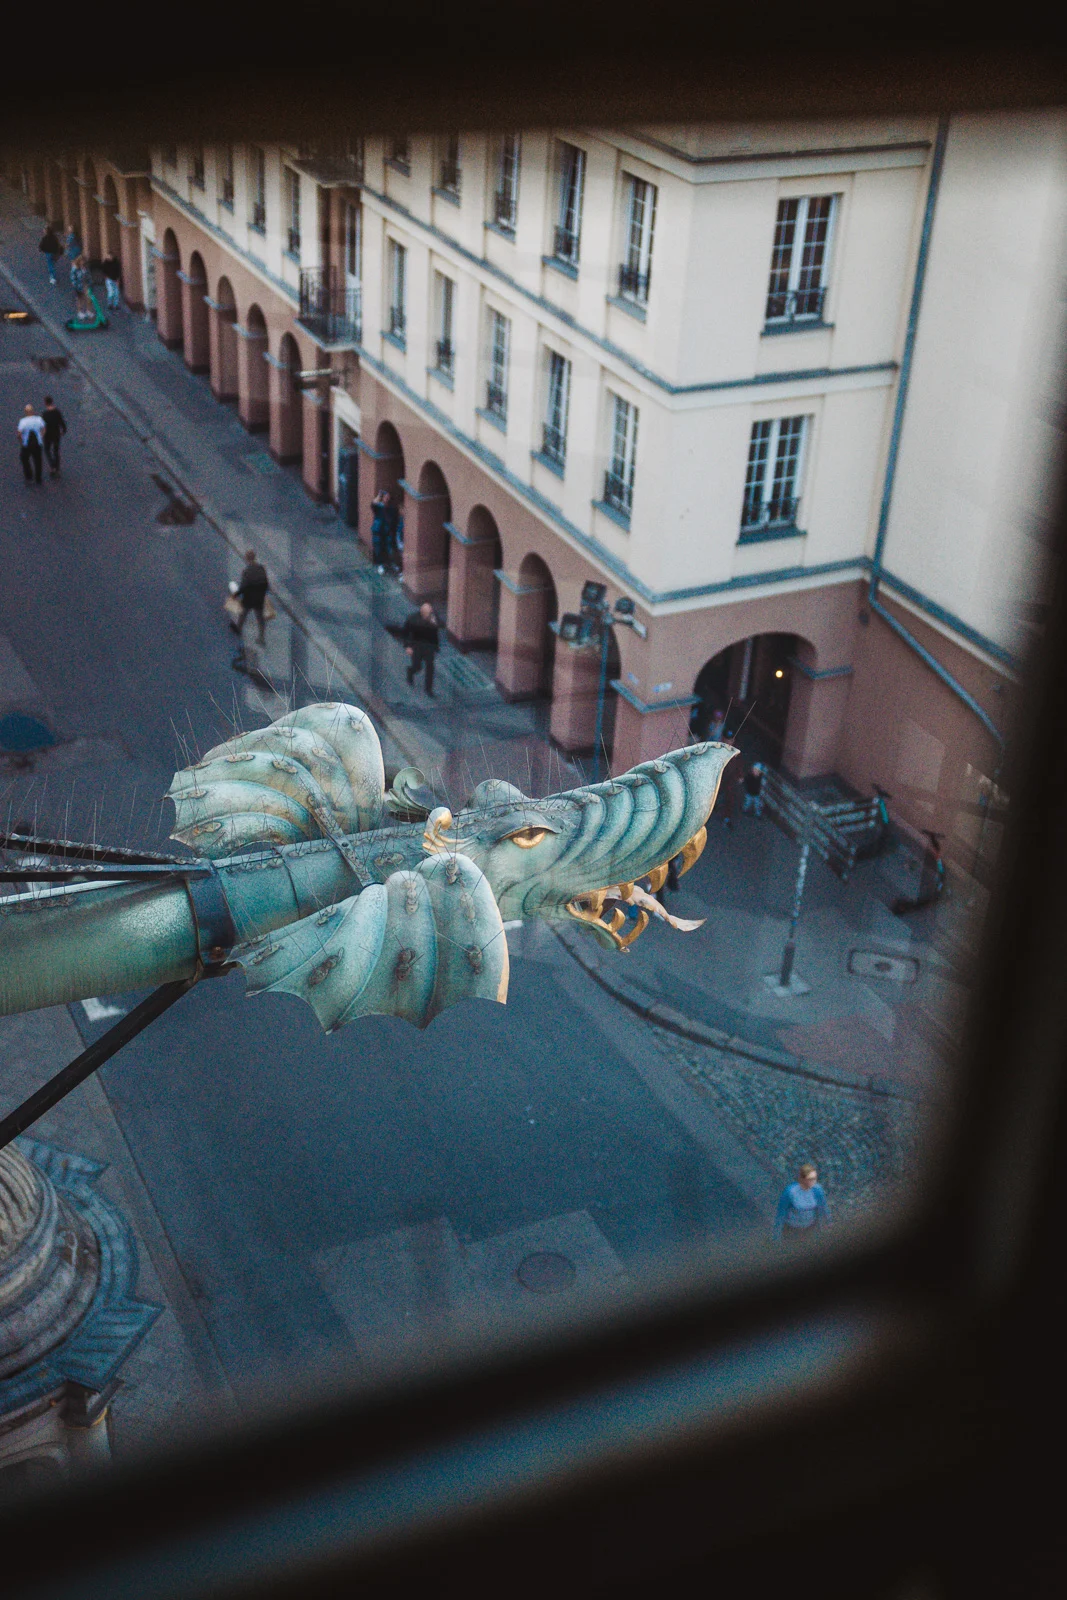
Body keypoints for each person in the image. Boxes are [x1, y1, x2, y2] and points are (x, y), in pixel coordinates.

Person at [774, 1163, 831, 1243]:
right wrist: (777, 1234)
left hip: (809, 1227)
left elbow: (823, 1207)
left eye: (814, 1179)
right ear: (802, 1179)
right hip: (792, 1227)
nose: (813, 1182)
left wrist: (828, 1222)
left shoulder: (817, 1190)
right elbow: (781, 1212)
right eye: (810, 1179)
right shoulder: (790, 1191)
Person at [230, 549, 270, 651]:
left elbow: (244, 586)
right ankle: (261, 637)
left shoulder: (247, 571)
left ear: (247, 558)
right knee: (260, 618)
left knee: (243, 613)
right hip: (259, 597)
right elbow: (266, 583)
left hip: (249, 597)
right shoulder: (261, 568)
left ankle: (238, 629)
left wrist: (236, 594)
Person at [401, 601, 440, 697]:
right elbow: (406, 633)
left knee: (430, 668)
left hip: (429, 648)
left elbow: (439, 627)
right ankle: (410, 671)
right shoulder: (413, 619)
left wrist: (435, 623)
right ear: (422, 611)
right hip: (417, 647)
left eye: (430, 612)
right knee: (417, 667)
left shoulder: (433, 618)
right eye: (428, 612)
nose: (429, 614)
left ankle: (428, 689)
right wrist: (407, 646)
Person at [17, 403, 45, 486]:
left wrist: (21, 440)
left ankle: (29, 476)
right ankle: (38, 478)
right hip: (37, 443)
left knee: (24, 459)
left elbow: (19, 433)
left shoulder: (23, 421)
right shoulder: (39, 419)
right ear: (33, 411)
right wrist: (41, 437)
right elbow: (43, 428)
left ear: (25, 412)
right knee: (38, 460)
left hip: (27, 444)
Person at [370, 490, 396, 574]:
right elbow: (373, 504)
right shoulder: (379, 507)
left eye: (388, 497)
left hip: (387, 531)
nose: (387, 498)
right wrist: (379, 495)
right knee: (378, 548)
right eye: (385, 497)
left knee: (389, 548)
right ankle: (380, 565)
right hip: (378, 530)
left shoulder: (391, 508)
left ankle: (390, 563)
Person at [42, 396, 67, 478]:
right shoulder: (57, 412)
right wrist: (63, 430)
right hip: (56, 434)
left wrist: (42, 434)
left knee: (47, 450)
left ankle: (52, 465)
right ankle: (57, 467)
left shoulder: (45, 414)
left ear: (45, 403)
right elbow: (61, 422)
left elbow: (43, 426)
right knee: (56, 450)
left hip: (48, 435)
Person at [69, 254, 90, 320]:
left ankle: (87, 311)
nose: (83, 262)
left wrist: (89, 284)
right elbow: (73, 278)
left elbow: (88, 277)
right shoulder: (75, 268)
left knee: (87, 299)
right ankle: (80, 312)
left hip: (84, 286)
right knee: (79, 300)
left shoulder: (84, 268)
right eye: (81, 261)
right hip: (78, 287)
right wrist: (76, 286)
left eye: (84, 261)